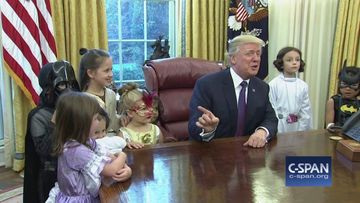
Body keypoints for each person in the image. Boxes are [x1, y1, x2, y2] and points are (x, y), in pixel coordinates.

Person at [188, 35, 278, 148]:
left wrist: (262, 131)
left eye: (258, 54)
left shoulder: (262, 87)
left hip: (248, 153)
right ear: (233, 58)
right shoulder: (207, 84)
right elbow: (193, 126)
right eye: (250, 53)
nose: (256, 59)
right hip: (213, 153)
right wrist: (208, 130)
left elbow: (271, 119)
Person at [46, 92, 131, 202]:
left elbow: (109, 157)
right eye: (96, 118)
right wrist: (123, 155)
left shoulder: (85, 141)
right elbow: (111, 170)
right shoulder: (76, 150)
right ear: (82, 122)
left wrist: (126, 170)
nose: (99, 121)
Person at [24, 60, 80, 203]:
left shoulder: (76, 108)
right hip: (51, 176)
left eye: (71, 84)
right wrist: (57, 121)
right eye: (62, 85)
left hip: (77, 169)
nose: (69, 90)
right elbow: (45, 151)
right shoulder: (38, 116)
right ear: (49, 88)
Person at [78, 48, 123, 134]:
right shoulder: (83, 100)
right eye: (106, 70)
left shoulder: (111, 94)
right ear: (91, 73)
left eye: (111, 69)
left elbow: (113, 121)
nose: (111, 74)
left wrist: (122, 119)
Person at [269, 47, 313, 133]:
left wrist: (301, 131)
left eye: (297, 60)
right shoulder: (274, 84)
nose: (294, 63)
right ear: (281, 63)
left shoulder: (303, 85)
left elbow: (305, 111)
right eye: (289, 60)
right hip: (279, 126)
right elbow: (272, 109)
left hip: (297, 127)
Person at [118, 82, 163, 149]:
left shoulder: (156, 130)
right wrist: (126, 145)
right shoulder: (124, 134)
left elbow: (162, 152)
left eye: (150, 106)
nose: (150, 111)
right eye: (143, 108)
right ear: (130, 113)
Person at [326, 61, 360, 130]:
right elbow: (329, 126)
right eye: (344, 84)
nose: (348, 89)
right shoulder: (333, 101)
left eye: (353, 85)